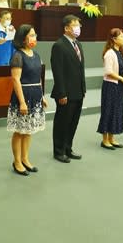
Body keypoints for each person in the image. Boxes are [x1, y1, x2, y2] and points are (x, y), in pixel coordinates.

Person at [7, 24, 46, 175]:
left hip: (35, 95)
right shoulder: (18, 56)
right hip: (23, 95)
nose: (34, 38)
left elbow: (39, 78)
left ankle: (25, 158)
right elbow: (16, 80)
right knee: (19, 131)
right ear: (23, 38)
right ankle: (17, 161)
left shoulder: (36, 55)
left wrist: (42, 96)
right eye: (31, 35)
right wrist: (22, 102)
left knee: (28, 130)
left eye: (35, 35)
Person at [50, 14, 86, 163]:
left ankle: (68, 148)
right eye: (75, 25)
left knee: (73, 123)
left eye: (79, 25)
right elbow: (58, 72)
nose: (78, 28)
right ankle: (59, 151)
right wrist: (62, 92)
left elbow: (79, 69)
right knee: (62, 123)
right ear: (66, 28)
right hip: (65, 92)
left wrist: (83, 88)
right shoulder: (59, 45)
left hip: (78, 91)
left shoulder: (78, 44)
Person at [97, 28, 123, 150]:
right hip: (110, 86)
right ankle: (105, 140)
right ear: (114, 39)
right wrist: (121, 78)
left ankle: (112, 138)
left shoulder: (120, 52)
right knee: (108, 111)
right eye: (121, 36)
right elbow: (109, 72)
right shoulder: (109, 53)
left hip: (119, 86)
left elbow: (121, 69)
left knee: (117, 111)